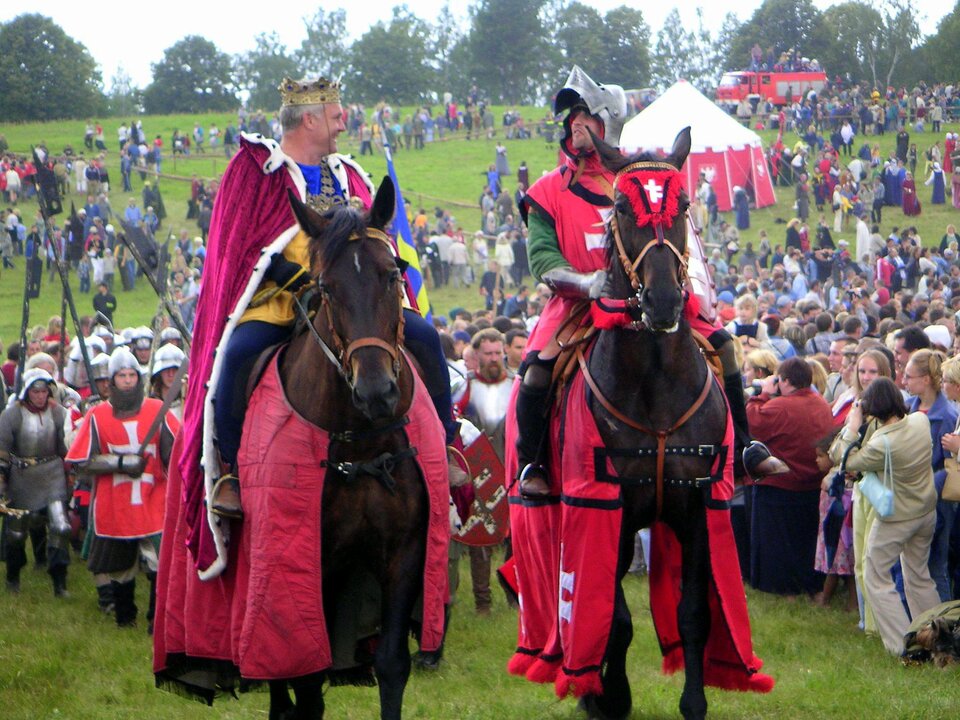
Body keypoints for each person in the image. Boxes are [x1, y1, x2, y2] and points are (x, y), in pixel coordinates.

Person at [177, 76, 454, 574]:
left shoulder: (348, 172)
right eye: (335, 112)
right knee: (237, 355)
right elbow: (235, 247)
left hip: (351, 302)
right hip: (279, 298)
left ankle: (447, 449)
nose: (344, 120)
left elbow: (375, 234)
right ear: (310, 119)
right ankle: (233, 474)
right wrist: (287, 270)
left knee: (427, 339)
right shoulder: (255, 170)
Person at [66, 348, 180, 629]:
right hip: (114, 502)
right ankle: (125, 617)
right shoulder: (97, 415)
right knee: (120, 567)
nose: (127, 380)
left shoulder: (157, 409)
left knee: (159, 562)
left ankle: (157, 619)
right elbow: (81, 462)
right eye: (121, 375)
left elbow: (177, 451)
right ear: (113, 380)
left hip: (154, 497)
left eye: (131, 375)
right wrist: (120, 462)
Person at [835, 378, 941, 654]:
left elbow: (845, 461)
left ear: (872, 409)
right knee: (919, 575)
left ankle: (902, 645)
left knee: (875, 577)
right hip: (926, 511)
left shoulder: (882, 443)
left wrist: (853, 425)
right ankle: (936, 637)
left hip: (896, 519)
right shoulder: (920, 421)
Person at [746, 357, 834, 597]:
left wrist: (763, 393)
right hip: (813, 485)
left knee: (778, 545)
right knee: (805, 543)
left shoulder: (780, 406)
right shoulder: (821, 404)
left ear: (784, 381)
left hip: (780, 485)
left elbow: (752, 422)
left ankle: (780, 587)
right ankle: (809, 584)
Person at [450, 328, 513, 615]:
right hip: (478, 472)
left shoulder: (516, 384)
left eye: (497, 353)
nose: (493, 358)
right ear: (477, 355)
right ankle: (483, 601)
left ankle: (515, 594)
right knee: (480, 539)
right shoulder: (463, 388)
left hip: (512, 469)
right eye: (488, 353)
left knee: (518, 540)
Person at [0, 369, 71, 597]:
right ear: (27, 391)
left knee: (61, 527)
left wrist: (72, 470)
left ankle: (59, 582)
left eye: (43, 391)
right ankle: (13, 577)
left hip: (52, 474)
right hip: (22, 475)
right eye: (35, 391)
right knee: (17, 533)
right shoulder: (12, 415)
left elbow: (65, 448)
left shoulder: (58, 414)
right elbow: (3, 451)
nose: (40, 396)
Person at [904, 350, 958, 604]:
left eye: (909, 376)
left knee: (936, 566)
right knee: (910, 566)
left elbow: (948, 467)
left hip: (936, 501)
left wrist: (923, 489)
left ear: (925, 379)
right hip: (910, 496)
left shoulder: (946, 416)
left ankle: (944, 628)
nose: (904, 381)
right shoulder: (910, 408)